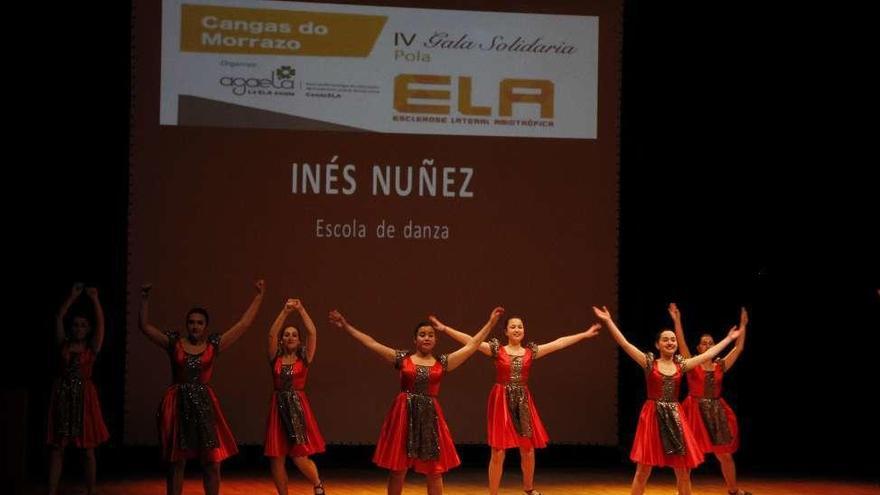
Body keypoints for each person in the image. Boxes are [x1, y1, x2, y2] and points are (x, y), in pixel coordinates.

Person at [328, 307, 504, 495]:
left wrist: (490, 323)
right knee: (398, 469)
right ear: (415, 339)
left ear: (435, 340)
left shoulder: (442, 362)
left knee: (434, 471)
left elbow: (471, 347)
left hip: (429, 417)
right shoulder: (403, 359)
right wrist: (346, 326)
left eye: (430, 335)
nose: (427, 338)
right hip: (404, 414)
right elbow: (372, 343)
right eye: (422, 335)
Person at [429, 314, 601, 495]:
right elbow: (472, 342)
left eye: (520, 326)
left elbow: (559, 343)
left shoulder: (530, 352)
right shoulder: (497, 350)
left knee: (528, 449)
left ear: (524, 330)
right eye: (513, 327)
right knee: (498, 451)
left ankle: (529, 488)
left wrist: (584, 334)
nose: (517, 329)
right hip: (501, 399)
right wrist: (445, 329)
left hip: (522, 401)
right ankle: (493, 493)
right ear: (506, 331)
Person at [592, 305, 742, 495]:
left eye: (673, 339)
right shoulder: (649, 363)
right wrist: (608, 321)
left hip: (675, 417)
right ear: (658, 344)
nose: (670, 342)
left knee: (683, 471)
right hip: (652, 416)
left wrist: (728, 339)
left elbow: (708, 354)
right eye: (665, 339)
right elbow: (625, 344)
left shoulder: (682, 365)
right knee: (643, 470)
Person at [139, 280, 265, 495]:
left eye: (199, 322)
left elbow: (243, 325)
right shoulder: (175, 343)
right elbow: (145, 327)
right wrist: (144, 298)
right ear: (187, 325)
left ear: (205, 326)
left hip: (204, 405)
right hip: (178, 404)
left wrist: (259, 296)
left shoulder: (213, 345)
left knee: (212, 462)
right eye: (191, 322)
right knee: (176, 463)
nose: (195, 326)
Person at [669, 303, 751, 495]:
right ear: (698, 348)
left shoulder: (720, 366)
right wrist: (677, 321)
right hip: (693, 411)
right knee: (687, 455)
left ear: (715, 347)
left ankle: (733, 490)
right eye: (704, 343)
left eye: (711, 343)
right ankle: (683, 490)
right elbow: (681, 343)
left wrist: (743, 325)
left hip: (716, 412)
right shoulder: (691, 363)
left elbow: (738, 348)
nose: (707, 345)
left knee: (725, 455)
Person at [48, 283, 110, 495]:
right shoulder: (63, 344)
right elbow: (58, 317)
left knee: (88, 449)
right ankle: (51, 491)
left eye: (83, 325)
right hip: (64, 396)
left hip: (84, 397)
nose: (78, 329)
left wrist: (95, 299)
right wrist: (71, 297)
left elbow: (101, 324)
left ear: (88, 329)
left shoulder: (91, 347)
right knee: (58, 448)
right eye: (75, 325)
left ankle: (90, 491)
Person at [265, 298, 326, 495]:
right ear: (282, 340)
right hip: (278, 407)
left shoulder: (304, 358)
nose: (290, 337)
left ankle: (317, 483)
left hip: (298, 408)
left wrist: (300, 309)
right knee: (276, 457)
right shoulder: (275, 357)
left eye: (294, 335)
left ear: (299, 340)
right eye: (287, 335)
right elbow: (271, 333)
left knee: (299, 456)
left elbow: (312, 332)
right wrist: (284, 311)